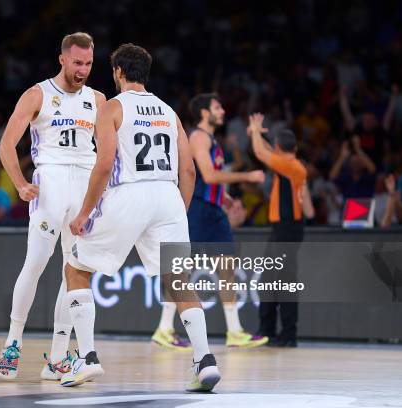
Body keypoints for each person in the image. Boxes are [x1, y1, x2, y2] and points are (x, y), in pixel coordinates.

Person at [60, 43, 220, 392]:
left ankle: (86, 358)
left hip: (129, 192)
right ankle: (205, 360)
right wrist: (178, 209)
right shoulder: (168, 110)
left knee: (76, 268)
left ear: (118, 72)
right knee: (178, 280)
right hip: (167, 195)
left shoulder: (112, 107)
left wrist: (85, 212)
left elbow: (104, 165)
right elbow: (189, 170)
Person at [0, 32, 106, 381]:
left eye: (88, 63)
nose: (82, 70)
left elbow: (108, 153)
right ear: (62, 59)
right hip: (51, 182)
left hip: (85, 186)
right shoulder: (37, 94)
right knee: (37, 263)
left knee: (75, 270)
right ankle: (13, 343)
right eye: (77, 62)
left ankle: (58, 355)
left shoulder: (99, 99)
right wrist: (21, 185)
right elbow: (6, 146)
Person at [179, 93, 267, 348]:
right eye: (217, 107)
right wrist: (248, 176)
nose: (222, 111)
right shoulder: (197, 136)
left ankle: (235, 331)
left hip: (215, 210)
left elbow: (212, 180)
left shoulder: (210, 138)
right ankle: (163, 330)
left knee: (227, 268)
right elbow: (208, 175)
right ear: (205, 113)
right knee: (180, 270)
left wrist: (225, 197)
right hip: (198, 209)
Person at [248, 114, 308, 347]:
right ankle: (268, 331)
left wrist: (254, 132)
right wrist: (258, 136)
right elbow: (268, 152)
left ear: (279, 148)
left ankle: (287, 333)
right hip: (282, 230)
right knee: (270, 280)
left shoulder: (291, 168)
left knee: (283, 282)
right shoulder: (290, 165)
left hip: (287, 230)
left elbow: (262, 154)